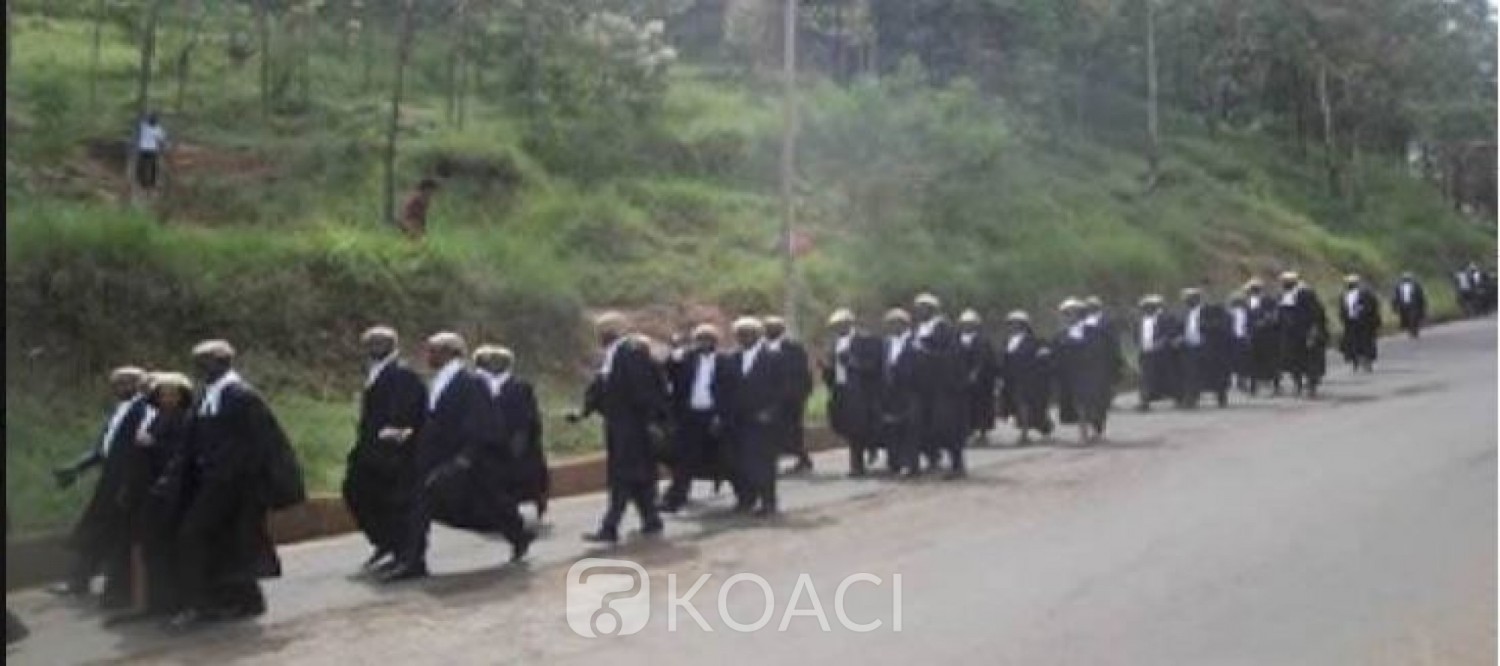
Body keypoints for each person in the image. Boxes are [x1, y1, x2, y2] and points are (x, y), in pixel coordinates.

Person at [167, 340, 302, 630]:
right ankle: (246, 599)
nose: (199, 368)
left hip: (236, 486)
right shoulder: (206, 396)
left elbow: (267, 443)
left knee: (193, 535)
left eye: (205, 361)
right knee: (227, 541)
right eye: (197, 362)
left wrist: (262, 484)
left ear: (221, 362)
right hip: (211, 482)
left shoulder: (242, 397)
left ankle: (199, 604)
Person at [382, 333, 533, 581]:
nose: (428, 356)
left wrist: (465, 457)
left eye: (432, 351)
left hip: (463, 458)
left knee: (489, 502)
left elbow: (481, 422)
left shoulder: (470, 382)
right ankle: (412, 560)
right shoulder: (438, 382)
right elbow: (433, 419)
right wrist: (406, 434)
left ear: (448, 353)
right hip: (434, 455)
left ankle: (517, 532)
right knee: (418, 502)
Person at [50, 366, 154, 608]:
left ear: (137, 384)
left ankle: (113, 589)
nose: (119, 388)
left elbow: (137, 452)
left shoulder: (143, 410)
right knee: (94, 529)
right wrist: (77, 467)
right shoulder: (119, 410)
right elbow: (103, 448)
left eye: (126, 383)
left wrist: (128, 484)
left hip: (125, 479)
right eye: (117, 383)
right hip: (110, 477)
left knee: (113, 533)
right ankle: (79, 581)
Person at [109, 372, 196, 624]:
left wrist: (153, 444)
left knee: (169, 548)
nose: (167, 399)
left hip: (171, 493)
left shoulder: (184, 420)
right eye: (163, 394)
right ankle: (153, 602)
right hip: (148, 490)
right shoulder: (157, 417)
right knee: (148, 548)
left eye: (172, 394)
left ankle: (177, 603)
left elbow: (181, 455)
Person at [573, 313, 668, 543]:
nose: (598, 337)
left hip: (633, 426)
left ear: (611, 332)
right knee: (637, 476)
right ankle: (651, 519)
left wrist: (651, 421)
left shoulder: (630, 352)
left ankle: (610, 527)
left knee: (622, 477)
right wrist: (584, 412)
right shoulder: (613, 355)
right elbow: (600, 387)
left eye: (602, 332)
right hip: (619, 425)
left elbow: (643, 390)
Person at [342, 326, 428, 576]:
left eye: (378, 343)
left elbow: (404, 416)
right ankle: (387, 543)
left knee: (396, 504)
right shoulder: (375, 373)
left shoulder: (402, 374)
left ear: (391, 346)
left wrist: (391, 443)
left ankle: (404, 555)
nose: (373, 348)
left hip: (393, 453)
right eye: (370, 343)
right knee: (356, 492)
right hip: (370, 450)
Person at [659, 324, 732, 512]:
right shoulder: (686, 358)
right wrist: (673, 356)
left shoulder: (725, 361)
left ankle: (744, 493)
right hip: (690, 416)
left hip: (713, 416)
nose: (703, 343)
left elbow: (729, 391)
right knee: (684, 458)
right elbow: (668, 374)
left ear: (715, 342)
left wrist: (721, 416)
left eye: (708, 339)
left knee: (723, 456)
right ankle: (676, 497)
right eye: (700, 339)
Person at [474, 346, 551, 521]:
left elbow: (529, 418)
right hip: (496, 441)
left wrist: (520, 440)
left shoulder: (519, 386)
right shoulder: (484, 387)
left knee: (523, 478)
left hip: (518, 441)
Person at [724, 317, 789, 515]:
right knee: (739, 461)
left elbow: (784, 389)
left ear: (757, 335)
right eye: (739, 335)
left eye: (747, 334)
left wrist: (771, 411)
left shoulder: (773, 357)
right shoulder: (732, 358)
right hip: (738, 418)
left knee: (763, 462)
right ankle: (746, 499)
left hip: (763, 418)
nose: (743, 338)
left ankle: (768, 501)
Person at [820, 309, 885, 476]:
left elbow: (873, 365)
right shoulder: (834, 344)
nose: (838, 328)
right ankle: (863, 455)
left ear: (849, 324)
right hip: (840, 390)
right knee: (845, 426)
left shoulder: (865, 340)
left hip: (859, 391)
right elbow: (831, 373)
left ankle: (857, 464)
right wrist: (827, 368)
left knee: (858, 427)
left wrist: (851, 362)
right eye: (835, 326)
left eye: (841, 324)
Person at [911, 293, 967, 478]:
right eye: (918, 308)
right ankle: (932, 458)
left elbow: (951, 355)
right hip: (922, 385)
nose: (919, 311)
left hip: (942, 386)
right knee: (923, 424)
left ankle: (957, 464)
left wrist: (927, 351)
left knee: (946, 424)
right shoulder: (918, 329)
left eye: (923, 308)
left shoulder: (943, 328)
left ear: (932, 309)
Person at [1053, 299, 1112, 442]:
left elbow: (1102, 351)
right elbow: (1057, 355)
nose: (1069, 316)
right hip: (1073, 375)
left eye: (1072, 313)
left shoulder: (1093, 331)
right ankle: (1083, 433)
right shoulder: (1061, 335)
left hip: (1092, 373)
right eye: (1066, 314)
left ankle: (1097, 428)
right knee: (1079, 403)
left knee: (1093, 403)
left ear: (1080, 314)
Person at [764, 316, 815, 474]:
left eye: (774, 327)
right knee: (771, 430)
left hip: (791, 397)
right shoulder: (763, 348)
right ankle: (772, 462)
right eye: (768, 327)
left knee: (792, 430)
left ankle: (803, 459)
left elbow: (803, 373)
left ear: (781, 330)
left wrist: (802, 394)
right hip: (769, 397)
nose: (770, 330)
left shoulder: (793, 348)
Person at [996, 311, 1053, 444]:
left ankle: (1024, 433)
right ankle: (1034, 428)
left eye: (1016, 323)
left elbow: (1043, 358)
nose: (1012, 326)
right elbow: (1004, 361)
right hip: (1011, 379)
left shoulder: (1034, 341)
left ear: (1023, 325)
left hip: (1028, 380)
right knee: (1017, 406)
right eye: (1011, 323)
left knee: (1024, 404)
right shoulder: (1007, 342)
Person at [878, 308, 921, 477]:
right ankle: (894, 462)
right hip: (889, 391)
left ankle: (911, 463)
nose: (892, 327)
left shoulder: (914, 342)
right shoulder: (887, 343)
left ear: (905, 324)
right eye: (890, 324)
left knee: (909, 427)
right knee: (891, 427)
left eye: (896, 323)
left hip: (909, 390)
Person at [1175, 287, 1233, 409]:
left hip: (1207, 346)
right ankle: (1191, 398)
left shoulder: (1209, 310)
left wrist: (1205, 326)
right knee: (1191, 373)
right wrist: (1179, 337)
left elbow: (1219, 324)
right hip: (1190, 347)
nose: (1186, 302)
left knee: (1213, 373)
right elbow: (1180, 328)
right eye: (1185, 300)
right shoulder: (1185, 313)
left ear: (1196, 299)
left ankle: (1221, 394)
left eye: (1189, 299)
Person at [1277, 272, 1330, 397]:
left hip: (1306, 332)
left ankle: (1311, 386)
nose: (1283, 284)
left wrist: (1314, 331)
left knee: (1311, 360)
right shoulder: (1283, 296)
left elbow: (1316, 313)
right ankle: (1297, 384)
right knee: (1292, 360)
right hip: (1290, 335)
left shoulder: (1305, 294)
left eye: (1286, 282)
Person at [957, 309, 999, 445]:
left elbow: (985, 359)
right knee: (964, 406)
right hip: (961, 378)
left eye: (970, 323)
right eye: (964, 323)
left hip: (981, 381)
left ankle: (982, 433)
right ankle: (967, 431)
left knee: (982, 406)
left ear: (975, 325)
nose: (967, 326)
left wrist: (975, 372)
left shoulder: (982, 340)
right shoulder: (957, 339)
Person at [1134, 295, 1179, 412]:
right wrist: (1139, 346)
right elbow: (1136, 336)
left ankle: (1177, 397)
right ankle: (1144, 401)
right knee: (1145, 378)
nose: (1148, 309)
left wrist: (1162, 342)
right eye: (1146, 307)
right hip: (1145, 353)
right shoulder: (1140, 321)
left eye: (1151, 307)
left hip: (1160, 353)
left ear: (1155, 308)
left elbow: (1169, 333)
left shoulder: (1163, 319)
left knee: (1167, 377)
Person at [1243, 279, 1283, 395]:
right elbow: (1247, 319)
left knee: (1271, 362)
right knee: (1254, 361)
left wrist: (1264, 321)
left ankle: (1276, 386)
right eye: (1252, 289)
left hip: (1268, 336)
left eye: (1255, 289)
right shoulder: (1248, 303)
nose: (1254, 291)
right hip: (1255, 336)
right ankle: (1253, 387)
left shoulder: (1267, 300)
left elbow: (1274, 315)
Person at [1338, 274, 1381, 373]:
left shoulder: (1365, 294)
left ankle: (1367, 361)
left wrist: (1363, 312)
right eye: (1349, 283)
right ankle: (1355, 360)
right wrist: (1344, 318)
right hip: (1350, 323)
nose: (1350, 285)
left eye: (1352, 283)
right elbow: (1342, 309)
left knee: (1366, 342)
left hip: (1364, 322)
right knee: (1352, 343)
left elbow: (1372, 307)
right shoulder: (1344, 295)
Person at [135, 112, 168, 190]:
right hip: (150, 150)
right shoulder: (155, 128)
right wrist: (163, 147)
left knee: (146, 166)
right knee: (152, 166)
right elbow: (162, 140)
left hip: (145, 149)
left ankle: (146, 183)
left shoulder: (145, 126)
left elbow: (162, 140)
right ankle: (149, 183)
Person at [1227, 294, 1252, 392]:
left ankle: (1241, 381)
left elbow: (1249, 324)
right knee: (1232, 360)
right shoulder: (1229, 313)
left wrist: (1248, 335)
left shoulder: (1247, 312)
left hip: (1243, 338)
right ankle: (1231, 380)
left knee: (1243, 361)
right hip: (1232, 339)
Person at [1391, 272, 1427, 339]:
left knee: (1413, 317)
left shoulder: (1416, 285)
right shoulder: (1399, 286)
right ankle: (1410, 330)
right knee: (1406, 318)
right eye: (1405, 279)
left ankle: (1414, 331)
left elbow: (1420, 295)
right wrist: (1394, 305)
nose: (1406, 280)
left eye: (1407, 279)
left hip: (1413, 304)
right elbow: (1396, 296)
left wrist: (1422, 304)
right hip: (1403, 305)